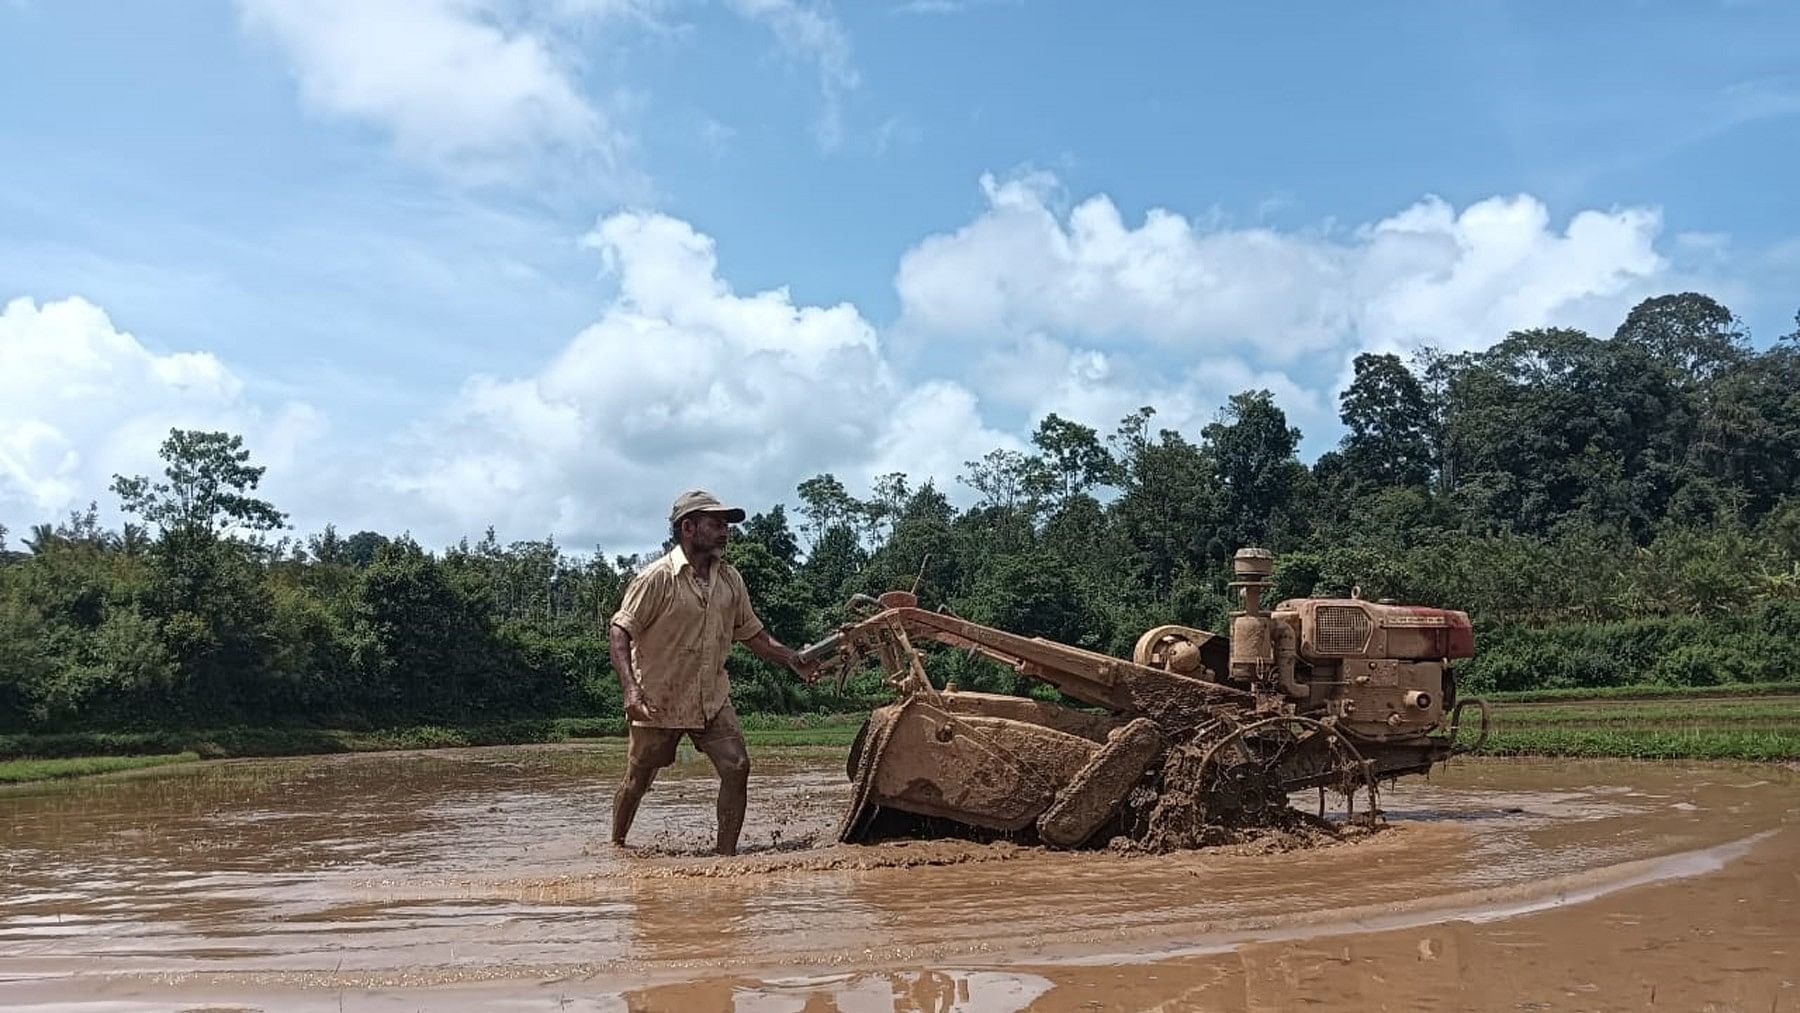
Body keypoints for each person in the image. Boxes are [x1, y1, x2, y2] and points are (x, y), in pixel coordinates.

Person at [608, 489, 816, 856]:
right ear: (688, 528)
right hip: (659, 698)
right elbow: (620, 630)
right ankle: (617, 845)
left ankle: (726, 859)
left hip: (711, 697)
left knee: (737, 766)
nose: (725, 531)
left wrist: (791, 659)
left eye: (726, 525)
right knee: (638, 779)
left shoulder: (731, 580)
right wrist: (631, 690)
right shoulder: (657, 578)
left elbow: (752, 633)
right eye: (715, 524)